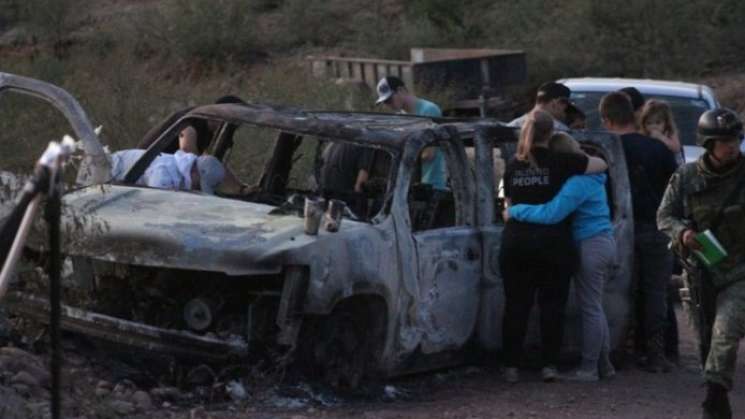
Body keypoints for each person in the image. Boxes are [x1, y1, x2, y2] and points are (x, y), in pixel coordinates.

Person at [499, 110, 608, 384]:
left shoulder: (513, 165)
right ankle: (549, 365)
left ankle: (510, 366)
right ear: (551, 133)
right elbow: (602, 165)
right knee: (552, 306)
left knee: (516, 305)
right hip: (553, 244)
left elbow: (506, 204)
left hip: (516, 243)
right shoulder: (563, 161)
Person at [657, 108, 745, 419]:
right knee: (706, 343)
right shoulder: (686, 177)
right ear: (708, 144)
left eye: (734, 139)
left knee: (726, 330)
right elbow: (664, 216)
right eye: (723, 141)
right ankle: (716, 392)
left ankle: (715, 397)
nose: (731, 146)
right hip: (699, 271)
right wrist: (683, 234)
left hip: (739, 272)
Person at [599, 91, 678, 372]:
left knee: (619, 291)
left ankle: (620, 351)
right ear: (634, 115)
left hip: (616, 230)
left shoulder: (605, 151)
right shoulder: (658, 149)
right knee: (656, 292)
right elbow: (676, 190)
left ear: (606, 120)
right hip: (656, 228)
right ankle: (655, 354)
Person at [375, 76, 447, 190]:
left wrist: (398, 158)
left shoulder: (429, 110)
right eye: (384, 102)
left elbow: (429, 154)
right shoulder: (400, 118)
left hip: (432, 183)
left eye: (389, 100)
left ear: (401, 90)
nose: (387, 105)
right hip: (411, 185)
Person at [109, 149, 225, 194]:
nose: (198, 187)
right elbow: (155, 202)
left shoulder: (178, 169)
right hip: (108, 171)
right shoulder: (164, 172)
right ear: (195, 171)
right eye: (199, 184)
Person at [508, 82, 573, 130]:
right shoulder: (560, 130)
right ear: (554, 103)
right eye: (565, 103)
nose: (565, 108)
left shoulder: (511, 126)